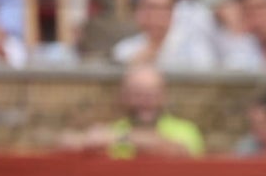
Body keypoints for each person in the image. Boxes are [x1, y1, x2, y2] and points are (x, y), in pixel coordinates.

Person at [58, 66, 204, 159]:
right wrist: (83, 139)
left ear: (163, 96)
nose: (145, 101)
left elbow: (179, 151)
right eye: (137, 94)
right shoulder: (114, 129)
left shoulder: (185, 130)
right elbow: (68, 142)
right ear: (124, 96)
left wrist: (120, 138)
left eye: (151, 94)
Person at [111, 0, 218, 70]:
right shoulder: (125, 49)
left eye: (163, 9)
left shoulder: (195, 46)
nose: (155, 15)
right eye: (150, 8)